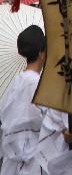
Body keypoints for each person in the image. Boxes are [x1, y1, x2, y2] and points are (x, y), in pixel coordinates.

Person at [0, 25, 46, 175]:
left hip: (11, 160)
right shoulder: (37, 84)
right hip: (32, 161)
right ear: (41, 53)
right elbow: (46, 121)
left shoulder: (17, 80)